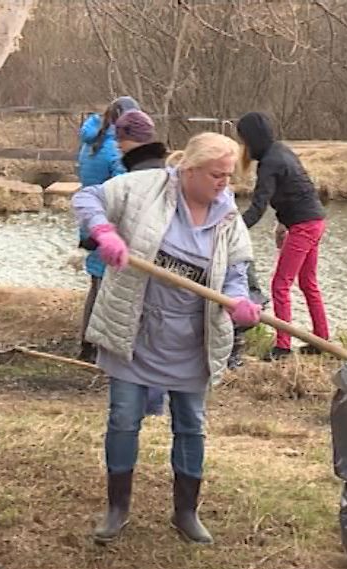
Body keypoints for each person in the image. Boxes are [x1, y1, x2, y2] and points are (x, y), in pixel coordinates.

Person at [71, 132, 261, 545]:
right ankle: (117, 509)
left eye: (228, 176)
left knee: (191, 424)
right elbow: (87, 198)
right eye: (216, 174)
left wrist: (239, 301)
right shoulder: (146, 188)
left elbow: (235, 272)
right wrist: (104, 233)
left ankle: (186, 513)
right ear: (189, 170)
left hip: (191, 340)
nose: (224, 183)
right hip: (135, 329)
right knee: (123, 418)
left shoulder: (227, 215)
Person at [235, 111, 329, 361]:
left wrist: (233, 231)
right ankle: (322, 339)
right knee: (308, 284)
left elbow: (258, 206)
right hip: (314, 220)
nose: (243, 147)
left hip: (304, 226)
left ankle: (283, 347)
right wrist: (281, 224)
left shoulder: (270, 163)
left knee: (280, 284)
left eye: (244, 141)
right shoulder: (281, 151)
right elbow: (294, 190)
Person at [76, 96, 140, 364]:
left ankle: (87, 343)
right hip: (107, 224)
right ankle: (101, 346)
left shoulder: (90, 141)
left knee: (96, 283)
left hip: (89, 222)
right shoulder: (114, 149)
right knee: (108, 287)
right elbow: (121, 187)